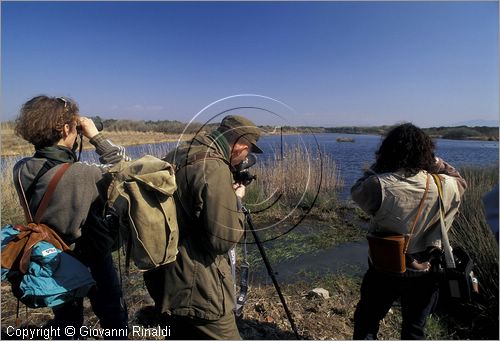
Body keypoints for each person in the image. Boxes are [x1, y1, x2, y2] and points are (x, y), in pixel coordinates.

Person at [13, 95, 128, 339]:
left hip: (52, 256)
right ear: (66, 128)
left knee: (67, 321)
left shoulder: (20, 168)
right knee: (113, 317)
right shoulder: (83, 174)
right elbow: (128, 172)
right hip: (93, 256)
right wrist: (96, 136)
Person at [143, 115, 263, 339]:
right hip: (197, 285)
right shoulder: (214, 168)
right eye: (249, 151)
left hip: (164, 273)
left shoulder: (182, 152)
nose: (246, 158)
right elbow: (223, 240)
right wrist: (236, 200)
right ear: (241, 146)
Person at [351, 123, 467, 340]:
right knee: (415, 327)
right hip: (428, 267)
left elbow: (357, 190)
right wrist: (437, 163)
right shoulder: (446, 184)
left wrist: (380, 165)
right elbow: (461, 181)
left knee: (367, 320)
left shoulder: (379, 184)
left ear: (387, 151)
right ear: (426, 152)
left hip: (386, 265)